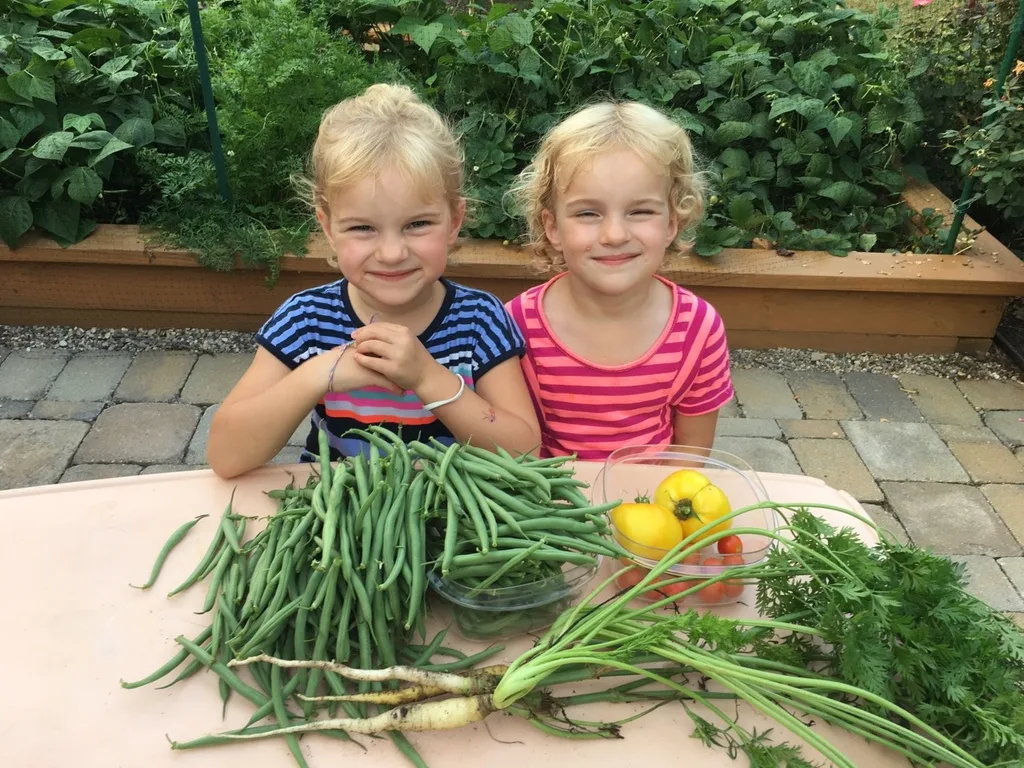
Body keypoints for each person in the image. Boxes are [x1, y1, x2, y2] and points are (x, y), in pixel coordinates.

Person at [208, 84, 540, 478]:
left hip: (453, 520)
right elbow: (226, 457)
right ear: (328, 228)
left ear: (455, 221)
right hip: (339, 517)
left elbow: (527, 453)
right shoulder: (305, 320)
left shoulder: (479, 319)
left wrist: (428, 378)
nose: (391, 253)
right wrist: (321, 372)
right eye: (363, 228)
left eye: (417, 224)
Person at [505, 100, 734, 461]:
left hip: (651, 505)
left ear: (672, 222)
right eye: (588, 213)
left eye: (640, 211)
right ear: (553, 227)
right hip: (547, 506)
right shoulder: (515, 326)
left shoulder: (698, 329)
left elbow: (689, 459)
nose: (614, 234)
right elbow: (515, 452)